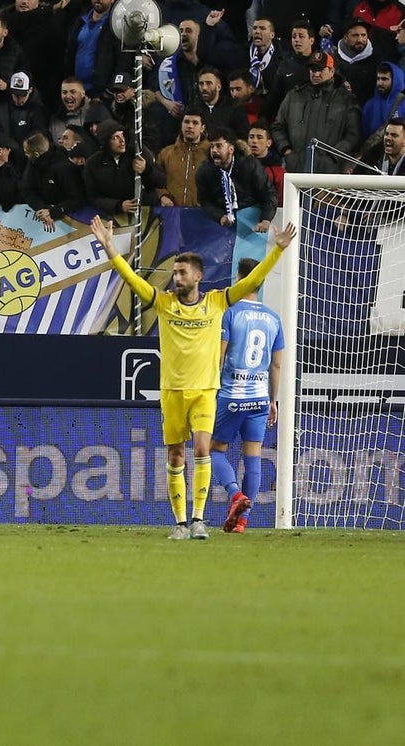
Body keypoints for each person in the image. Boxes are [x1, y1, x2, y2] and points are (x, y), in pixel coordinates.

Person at [89, 215, 295, 540]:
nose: (176, 277)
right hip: (171, 391)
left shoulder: (216, 303)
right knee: (175, 455)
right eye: (174, 272)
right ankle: (180, 522)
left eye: (182, 272)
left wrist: (277, 252)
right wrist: (110, 247)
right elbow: (132, 280)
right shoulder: (164, 303)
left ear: (198, 276)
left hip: (204, 391)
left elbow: (250, 281)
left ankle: (199, 520)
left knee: (202, 449)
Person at [210, 258, 284, 535]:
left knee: (212, 449)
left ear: (239, 279)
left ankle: (234, 494)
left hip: (231, 396)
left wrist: (210, 389)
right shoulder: (274, 318)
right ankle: (242, 521)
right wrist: (273, 400)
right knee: (253, 457)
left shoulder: (229, 312)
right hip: (259, 400)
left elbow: (219, 356)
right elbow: (276, 365)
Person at [196, 127, 278, 231]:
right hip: (220, 226)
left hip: (251, 224)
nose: (214, 150)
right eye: (212, 146)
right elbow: (204, 200)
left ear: (231, 149)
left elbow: (268, 193)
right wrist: (219, 216)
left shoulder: (250, 165)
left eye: (219, 146)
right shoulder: (205, 170)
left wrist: (266, 219)